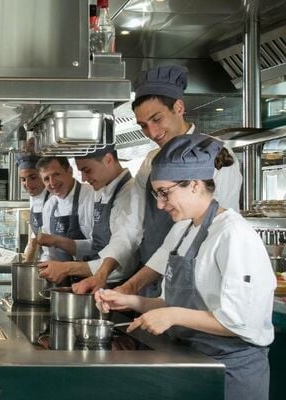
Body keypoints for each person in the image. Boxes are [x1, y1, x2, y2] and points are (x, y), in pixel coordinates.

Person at [95, 133, 275, 400]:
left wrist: (173, 317)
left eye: (165, 193)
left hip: (231, 371)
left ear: (193, 185)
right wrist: (132, 302)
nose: (159, 204)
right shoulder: (184, 230)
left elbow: (240, 321)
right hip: (196, 362)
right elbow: (177, 303)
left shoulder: (234, 235)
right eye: (157, 194)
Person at [73, 64, 242, 295]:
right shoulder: (150, 161)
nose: (152, 132)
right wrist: (102, 273)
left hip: (195, 283)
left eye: (157, 119)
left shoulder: (216, 155)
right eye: (143, 125)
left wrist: (131, 285)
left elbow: (192, 232)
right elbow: (131, 227)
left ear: (179, 107)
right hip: (149, 283)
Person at [37, 144, 136, 286]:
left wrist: (68, 267)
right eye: (46, 179)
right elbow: (97, 244)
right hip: (93, 278)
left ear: (108, 160)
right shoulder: (102, 192)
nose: (83, 178)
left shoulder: (129, 193)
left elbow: (123, 249)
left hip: (115, 283)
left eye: (87, 170)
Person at [35, 157, 94, 283]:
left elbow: (98, 247)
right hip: (62, 281)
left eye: (56, 174)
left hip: (91, 278)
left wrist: (58, 241)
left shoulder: (91, 197)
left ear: (70, 171)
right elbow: (49, 253)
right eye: (46, 178)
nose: (52, 182)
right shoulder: (50, 205)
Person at [17, 153, 51, 262]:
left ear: (42, 175)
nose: (27, 184)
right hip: (45, 263)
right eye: (23, 179)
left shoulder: (53, 199)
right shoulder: (34, 199)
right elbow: (34, 238)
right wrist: (26, 264)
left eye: (33, 177)